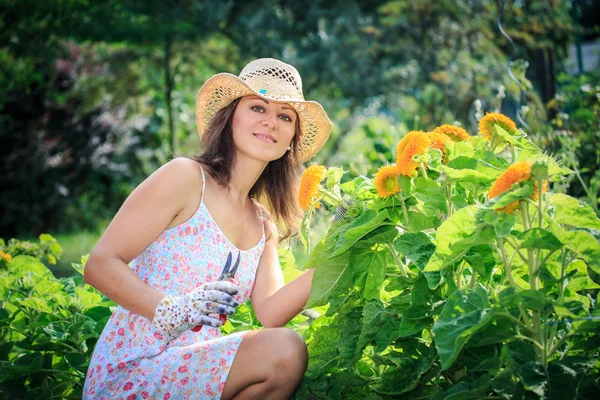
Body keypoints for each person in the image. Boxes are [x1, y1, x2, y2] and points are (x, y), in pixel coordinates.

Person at [82, 58, 333, 399]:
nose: (271, 122)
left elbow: (272, 312)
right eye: (258, 107)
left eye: (285, 116)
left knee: (286, 350)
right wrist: (175, 309)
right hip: (135, 369)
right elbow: (100, 264)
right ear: (231, 117)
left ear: (291, 139)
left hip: (196, 375)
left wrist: (344, 245)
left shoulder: (263, 224)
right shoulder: (185, 177)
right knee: (284, 348)